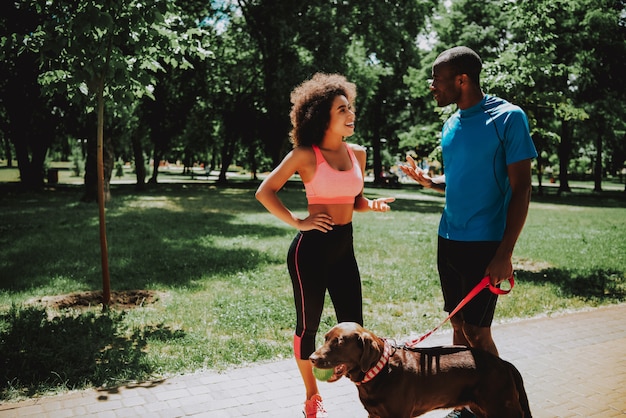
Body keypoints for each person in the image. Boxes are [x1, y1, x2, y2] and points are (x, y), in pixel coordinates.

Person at [400, 46, 537, 418]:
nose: (431, 86)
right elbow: (463, 179)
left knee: (478, 332)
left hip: (485, 243)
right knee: (459, 327)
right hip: (449, 240)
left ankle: (505, 405)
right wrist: (431, 181)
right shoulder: (450, 123)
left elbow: (521, 187)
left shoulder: (508, 118)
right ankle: (468, 405)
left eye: (437, 79)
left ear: (461, 79)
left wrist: (505, 252)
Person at [255, 73, 395, 418]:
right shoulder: (305, 155)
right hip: (311, 251)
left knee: (355, 328)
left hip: (344, 249)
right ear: (322, 116)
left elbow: (355, 200)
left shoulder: (357, 153)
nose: (351, 115)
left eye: (350, 108)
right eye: (341, 110)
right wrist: (299, 222)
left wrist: (370, 205)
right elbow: (265, 191)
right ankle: (311, 395)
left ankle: (370, 398)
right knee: (309, 327)